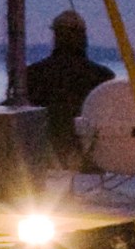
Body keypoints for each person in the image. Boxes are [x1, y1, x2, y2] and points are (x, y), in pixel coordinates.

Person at [24, 10, 114, 167]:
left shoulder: (33, 73)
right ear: (84, 37)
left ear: (56, 37)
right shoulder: (102, 75)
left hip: (44, 156)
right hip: (89, 157)